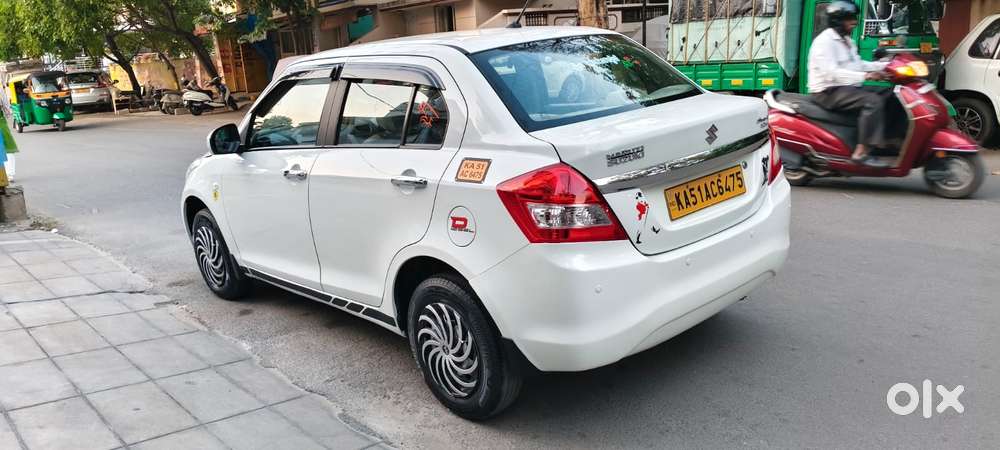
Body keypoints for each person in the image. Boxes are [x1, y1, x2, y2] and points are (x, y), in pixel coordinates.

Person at [808, 1, 891, 167]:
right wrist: (866, 76)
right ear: (838, 21)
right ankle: (861, 151)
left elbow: (858, 64)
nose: (854, 22)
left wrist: (886, 66)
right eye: (850, 19)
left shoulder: (847, 41)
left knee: (889, 93)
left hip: (844, 87)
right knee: (872, 102)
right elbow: (832, 73)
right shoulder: (824, 42)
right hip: (826, 91)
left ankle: (886, 140)